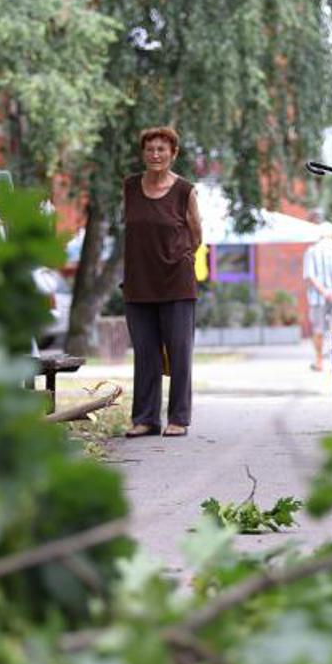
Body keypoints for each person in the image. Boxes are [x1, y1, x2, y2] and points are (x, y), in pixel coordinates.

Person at [121, 126, 203, 438]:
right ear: (143, 153)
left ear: (173, 154)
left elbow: (196, 233)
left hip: (176, 283)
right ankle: (145, 419)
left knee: (179, 353)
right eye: (150, 149)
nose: (155, 154)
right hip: (138, 282)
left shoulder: (185, 190)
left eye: (162, 149)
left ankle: (179, 418)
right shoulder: (129, 187)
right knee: (145, 354)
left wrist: (180, 259)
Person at [302, 220, 332, 371]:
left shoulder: (311, 251)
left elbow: (310, 276)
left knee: (318, 329)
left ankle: (319, 361)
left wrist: (324, 292)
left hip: (317, 298)